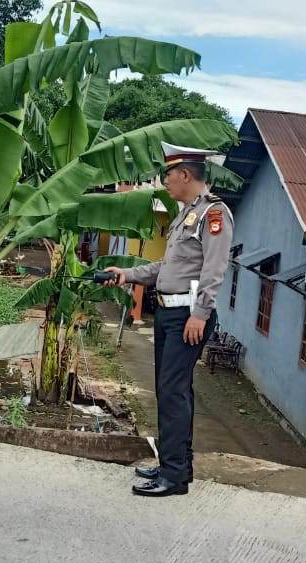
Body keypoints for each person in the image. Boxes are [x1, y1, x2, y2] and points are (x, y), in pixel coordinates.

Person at [104, 142, 234, 497]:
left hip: (187, 316)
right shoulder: (185, 214)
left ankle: (173, 477)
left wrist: (200, 314)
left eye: (168, 175)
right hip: (168, 313)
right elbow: (167, 267)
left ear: (185, 175)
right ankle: (175, 465)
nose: (165, 181)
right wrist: (128, 274)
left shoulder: (214, 214)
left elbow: (214, 270)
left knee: (172, 392)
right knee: (172, 391)